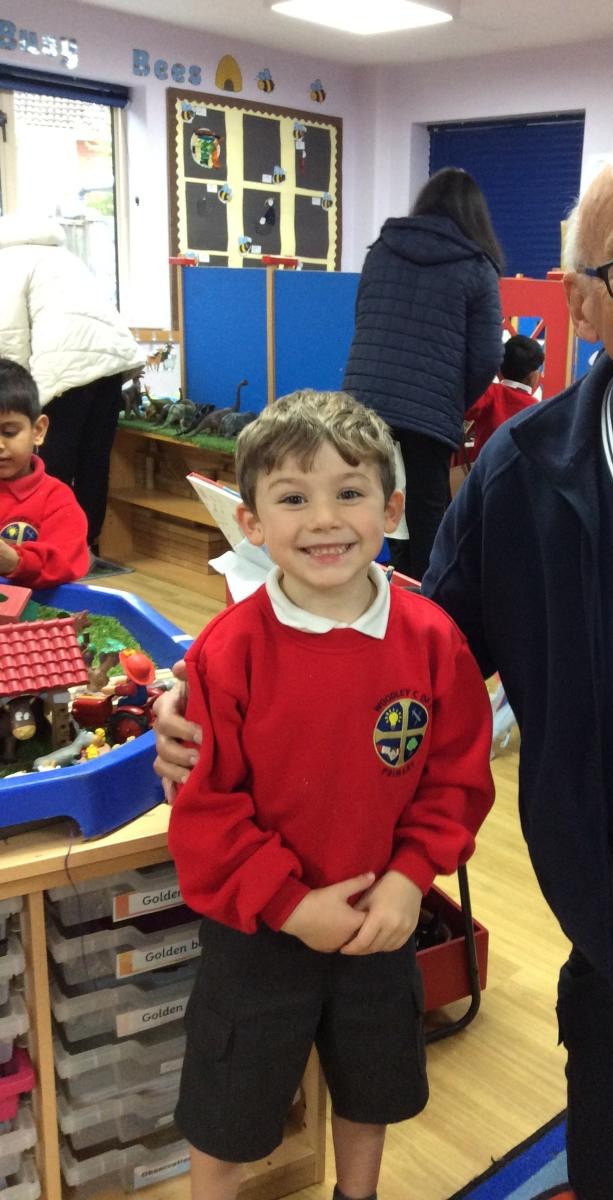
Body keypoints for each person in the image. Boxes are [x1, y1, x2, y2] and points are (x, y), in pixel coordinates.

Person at [154, 138, 613, 1200]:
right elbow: (412, 659)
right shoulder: (524, 477)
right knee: (611, 1163)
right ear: (578, 304)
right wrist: (210, 699)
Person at [165, 390, 494, 1200]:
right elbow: (207, 808)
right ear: (250, 522)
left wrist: (410, 878)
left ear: (392, 509)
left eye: (349, 492)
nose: (324, 520)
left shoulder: (432, 639)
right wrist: (288, 903)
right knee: (228, 1108)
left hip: (381, 918)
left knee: (371, 1088)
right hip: (258, 931)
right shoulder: (228, 652)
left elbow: (456, 777)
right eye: (292, 498)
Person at [342, 166, 504, 581]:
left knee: (363, 497)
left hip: (361, 401)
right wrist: (451, 399)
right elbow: (488, 356)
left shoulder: (381, 250)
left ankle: (362, 587)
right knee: (428, 513)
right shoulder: (477, 266)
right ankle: (428, 600)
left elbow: (363, 320)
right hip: (429, 412)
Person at [0, 214, 145, 553]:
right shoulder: (62, 256)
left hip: (63, 367)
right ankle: (88, 547)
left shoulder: (7, 261)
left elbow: (9, 337)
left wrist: (13, 397)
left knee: (51, 467)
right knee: (94, 462)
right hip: (108, 366)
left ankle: (50, 550)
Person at [0, 357, 89, 588]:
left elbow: (67, 563)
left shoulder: (56, 501)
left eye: (9, 432)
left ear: (38, 431)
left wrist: (15, 561)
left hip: (31, 606)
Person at [462, 333, 544, 464]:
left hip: (484, 468)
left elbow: (463, 410)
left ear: (499, 371)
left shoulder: (490, 393)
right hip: (520, 472)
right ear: (533, 376)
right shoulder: (537, 408)